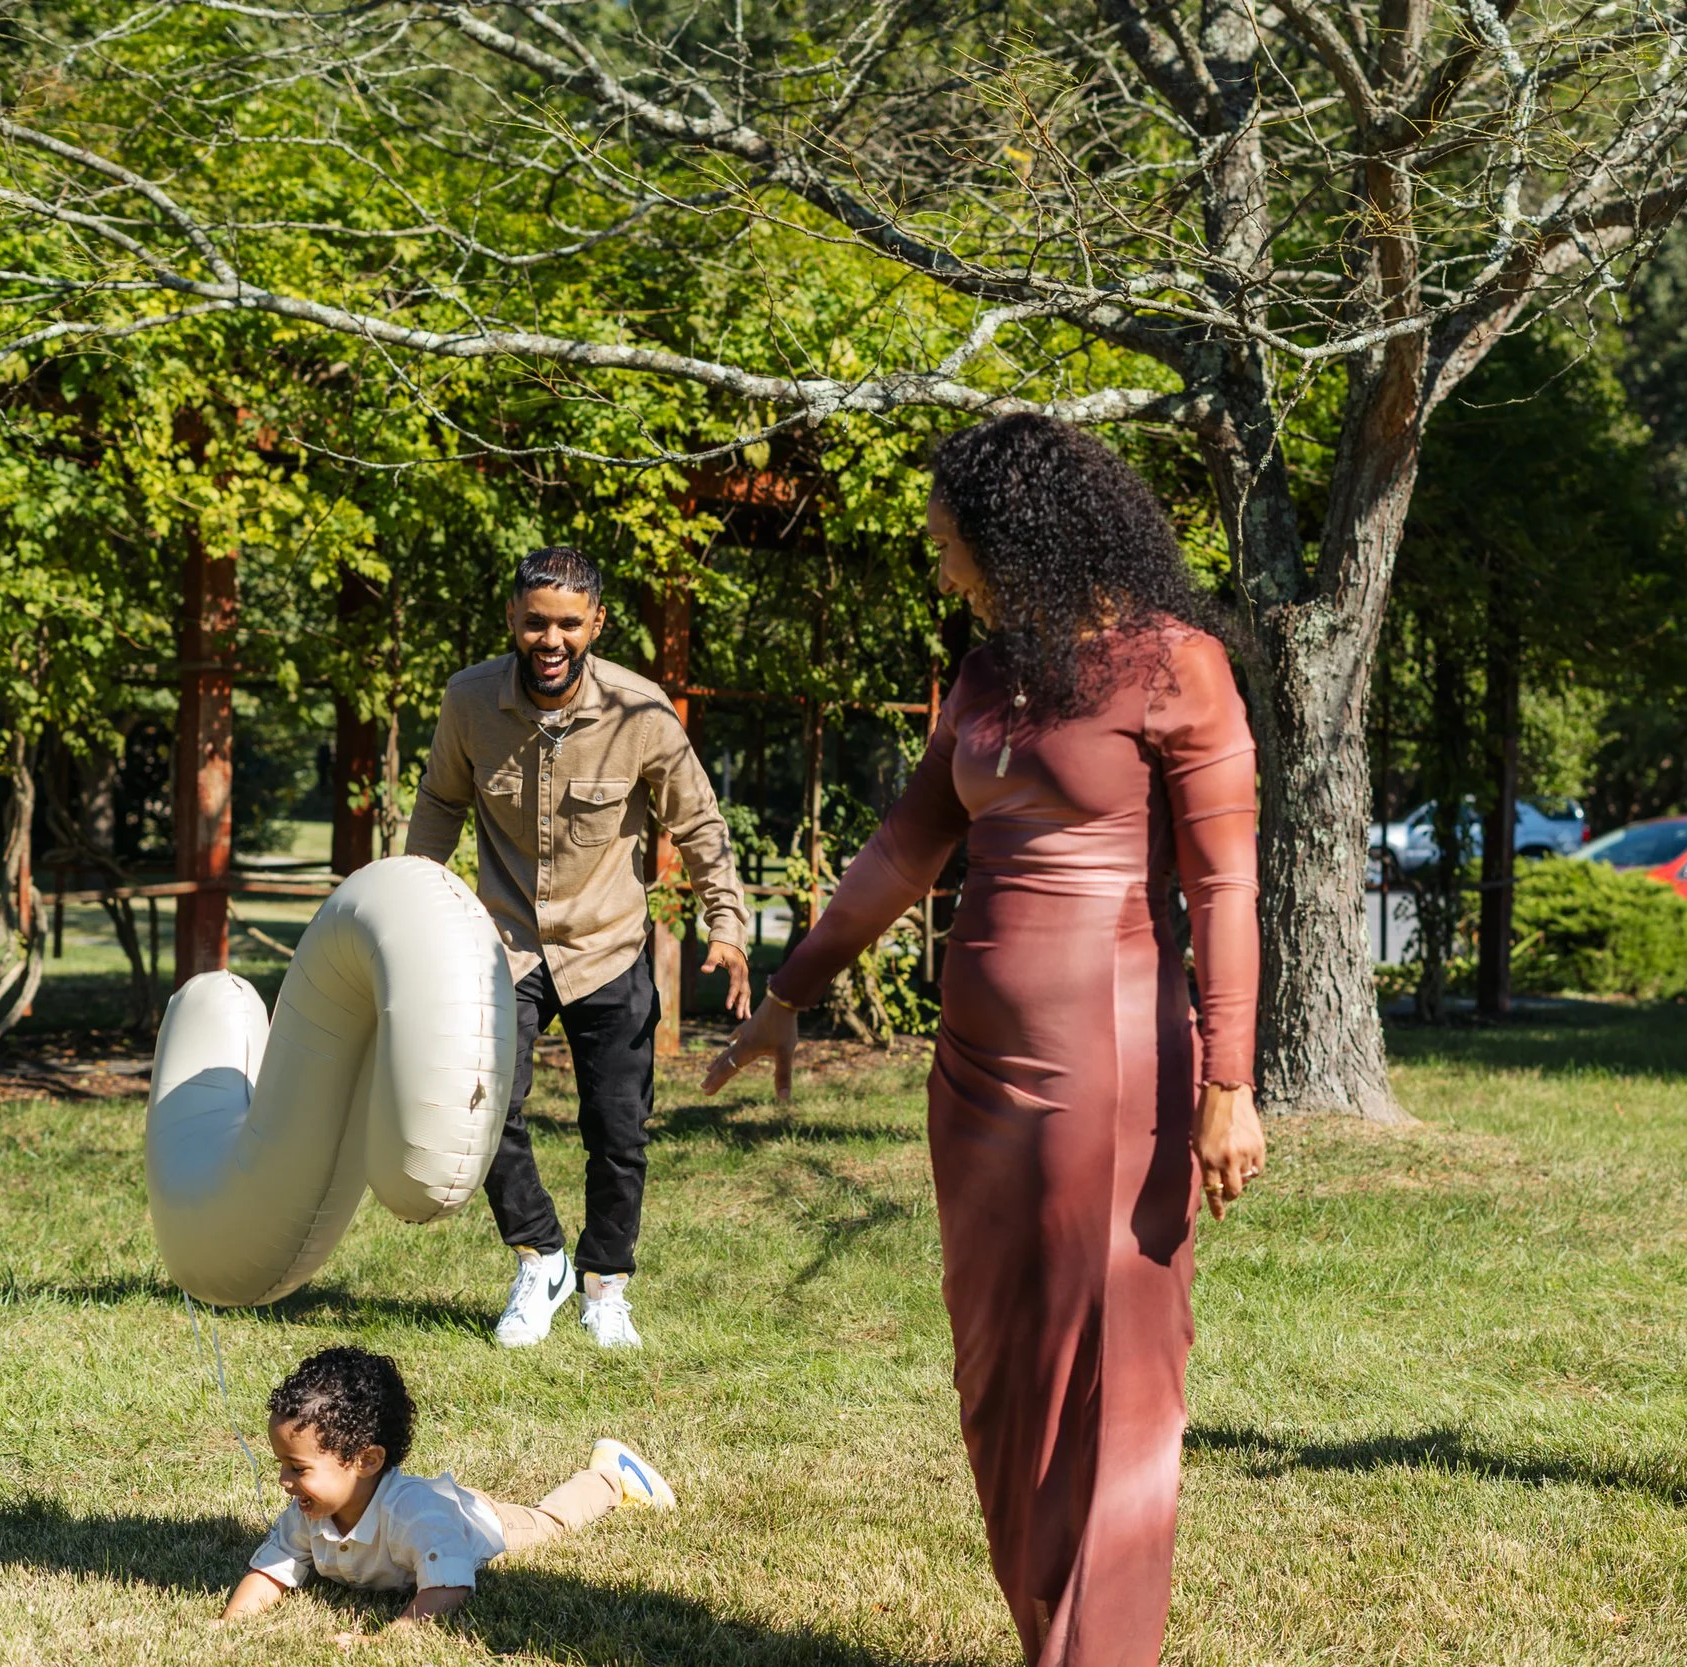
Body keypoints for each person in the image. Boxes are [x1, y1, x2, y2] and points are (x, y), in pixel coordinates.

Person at [704, 414, 1266, 1667]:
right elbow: (905, 848)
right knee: (1004, 1374)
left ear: (1020, 537)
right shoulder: (986, 672)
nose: (942, 568)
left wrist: (1228, 1082)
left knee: (1108, 1376)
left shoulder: (1179, 666)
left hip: (1110, 1075)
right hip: (972, 1080)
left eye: (952, 545)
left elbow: (1226, 888)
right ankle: (1049, 1639)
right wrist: (792, 991)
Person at [408, 547, 752, 1351]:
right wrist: (410, 920)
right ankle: (540, 1257)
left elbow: (699, 823)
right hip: (505, 944)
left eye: (569, 622)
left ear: (596, 622)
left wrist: (728, 926)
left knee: (620, 1128)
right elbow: (438, 807)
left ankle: (605, 1284)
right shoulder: (468, 702)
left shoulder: (641, 711)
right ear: (513, 622)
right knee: (481, 1108)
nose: (551, 638)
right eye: (536, 621)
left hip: (607, 945)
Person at [221, 1345, 676, 1635]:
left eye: (298, 1468)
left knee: (548, 1523)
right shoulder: (308, 1510)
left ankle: (610, 1477)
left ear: (367, 1461)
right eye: (281, 1465)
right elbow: (272, 1572)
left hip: (475, 1522)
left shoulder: (415, 1515)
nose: (284, 1482)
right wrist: (230, 1624)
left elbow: (450, 1587)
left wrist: (397, 1637)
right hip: (444, 1511)